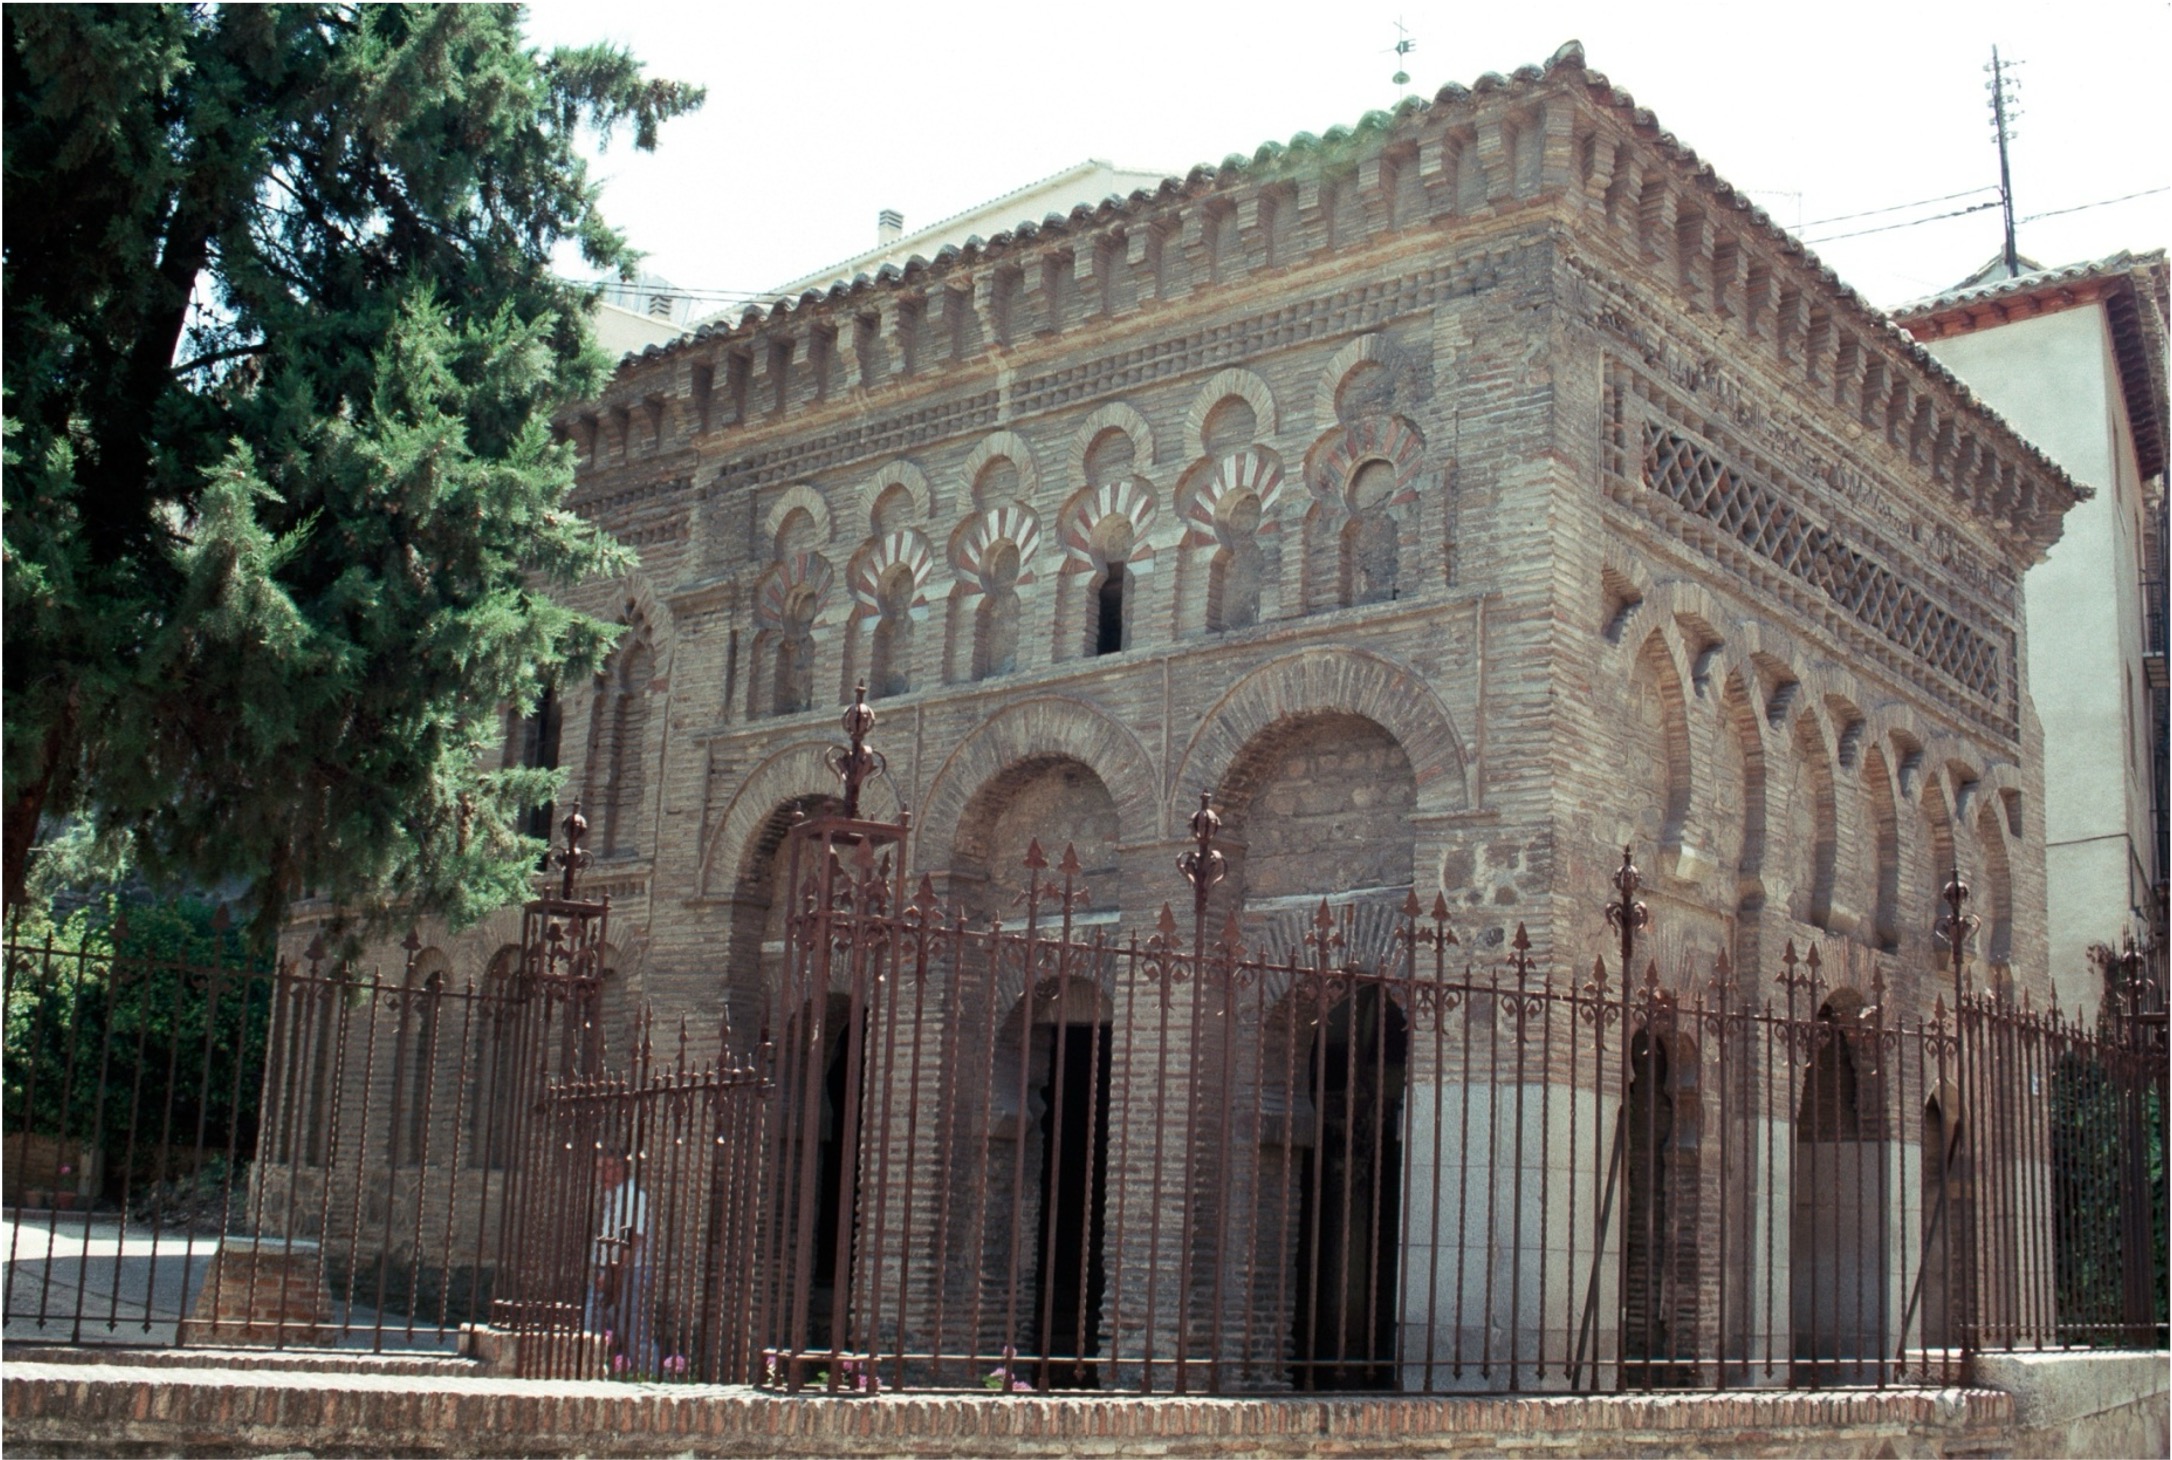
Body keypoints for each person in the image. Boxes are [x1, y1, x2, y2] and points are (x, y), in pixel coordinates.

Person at [586, 1150, 652, 1374]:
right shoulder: (614, 1196)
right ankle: (587, 1373)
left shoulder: (632, 1197)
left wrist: (613, 1272)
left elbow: (632, 1238)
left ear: (623, 1169)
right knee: (592, 1325)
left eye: (609, 1168)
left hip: (626, 1271)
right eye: (599, 1168)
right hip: (611, 1269)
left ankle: (648, 1377)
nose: (603, 1174)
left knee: (633, 1330)